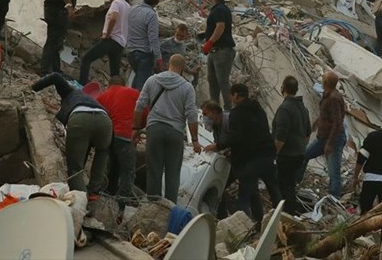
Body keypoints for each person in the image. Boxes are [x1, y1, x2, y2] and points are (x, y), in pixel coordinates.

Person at [209, 83, 281, 224]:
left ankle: (243, 228)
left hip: (249, 160)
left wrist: (218, 146)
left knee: (244, 199)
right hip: (267, 155)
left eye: (231, 95)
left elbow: (236, 137)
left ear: (235, 95)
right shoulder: (258, 108)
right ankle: (280, 221)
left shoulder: (237, 113)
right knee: (274, 192)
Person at [133, 53, 200, 201]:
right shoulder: (187, 87)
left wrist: (135, 129)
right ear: (182, 68)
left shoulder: (152, 80)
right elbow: (192, 115)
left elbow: (139, 105)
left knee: (154, 171)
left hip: (154, 129)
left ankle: (152, 205)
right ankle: (169, 209)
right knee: (172, 174)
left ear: (169, 65)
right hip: (175, 132)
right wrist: (194, 140)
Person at [31, 72, 111, 194]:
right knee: (102, 152)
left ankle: (80, 198)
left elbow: (55, 77)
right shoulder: (92, 100)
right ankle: (94, 192)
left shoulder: (70, 91)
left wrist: (32, 89)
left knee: (75, 169)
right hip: (105, 120)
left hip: (80, 118)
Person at [96, 75, 140, 204]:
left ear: (109, 85)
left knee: (111, 167)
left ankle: (106, 196)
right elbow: (145, 111)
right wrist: (137, 128)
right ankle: (122, 203)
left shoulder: (102, 96)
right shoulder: (133, 93)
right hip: (126, 136)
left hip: (109, 136)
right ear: (124, 84)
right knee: (127, 171)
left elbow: (98, 117)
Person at [272, 75, 311, 215]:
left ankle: (287, 216)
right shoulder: (303, 108)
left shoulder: (285, 109)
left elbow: (281, 136)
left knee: (284, 187)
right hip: (299, 154)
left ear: (283, 88)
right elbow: (308, 133)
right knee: (290, 186)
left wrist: (273, 154)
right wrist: (300, 147)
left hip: (286, 155)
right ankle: (290, 213)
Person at [305, 71, 346, 198]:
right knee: (304, 155)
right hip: (323, 138)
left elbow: (337, 122)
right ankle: (295, 181)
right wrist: (317, 123)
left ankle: (333, 199)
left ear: (326, 82)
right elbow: (326, 115)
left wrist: (330, 143)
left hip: (333, 139)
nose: (321, 79)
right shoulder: (328, 95)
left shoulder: (333, 98)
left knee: (334, 173)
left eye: (323, 78)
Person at [79, 0, 131, 85]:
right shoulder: (128, 6)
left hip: (111, 39)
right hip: (121, 42)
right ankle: (115, 91)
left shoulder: (116, 3)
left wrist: (107, 34)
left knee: (86, 58)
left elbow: (113, 18)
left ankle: (81, 84)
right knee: (114, 71)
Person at [203, 0, 235, 110]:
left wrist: (209, 42)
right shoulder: (220, 9)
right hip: (215, 51)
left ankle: (228, 109)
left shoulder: (219, 10)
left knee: (222, 81)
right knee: (212, 81)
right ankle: (214, 108)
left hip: (222, 51)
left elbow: (220, 26)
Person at [126, 0, 163, 90]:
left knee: (138, 79)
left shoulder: (132, 9)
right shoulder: (151, 15)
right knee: (142, 88)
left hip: (131, 52)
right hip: (144, 54)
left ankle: (130, 101)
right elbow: (153, 39)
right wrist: (158, 57)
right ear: (156, 2)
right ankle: (137, 105)